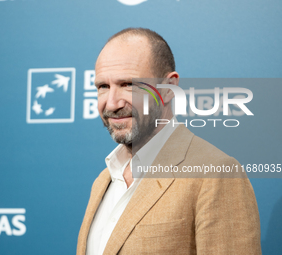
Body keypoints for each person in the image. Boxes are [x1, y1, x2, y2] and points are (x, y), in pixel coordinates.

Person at [77, 28, 261, 255]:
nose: (112, 103)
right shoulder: (103, 181)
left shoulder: (215, 175)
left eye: (128, 84)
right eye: (103, 87)